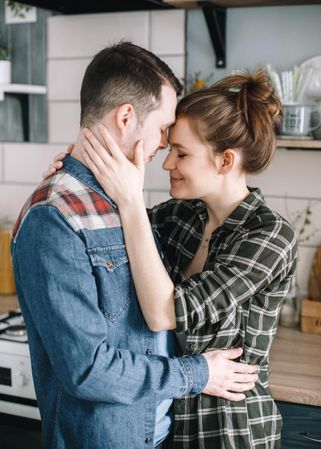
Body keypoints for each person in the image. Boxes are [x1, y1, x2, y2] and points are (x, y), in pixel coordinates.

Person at [11, 42, 257, 449]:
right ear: (127, 117)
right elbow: (88, 370)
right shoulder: (53, 218)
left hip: (157, 435)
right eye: (163, 129)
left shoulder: (123, 201)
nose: (164, 145)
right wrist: (199, 374)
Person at [54, 68, 297, 449]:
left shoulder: (268, 236)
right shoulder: (183, 215)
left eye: (181, 154)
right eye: (169, 150)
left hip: (231, 433)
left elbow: (165, 313)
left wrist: (130, 198)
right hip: (168, 428)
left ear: (225, 160)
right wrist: (77, 175)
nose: (167, 164)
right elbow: (112, 233)